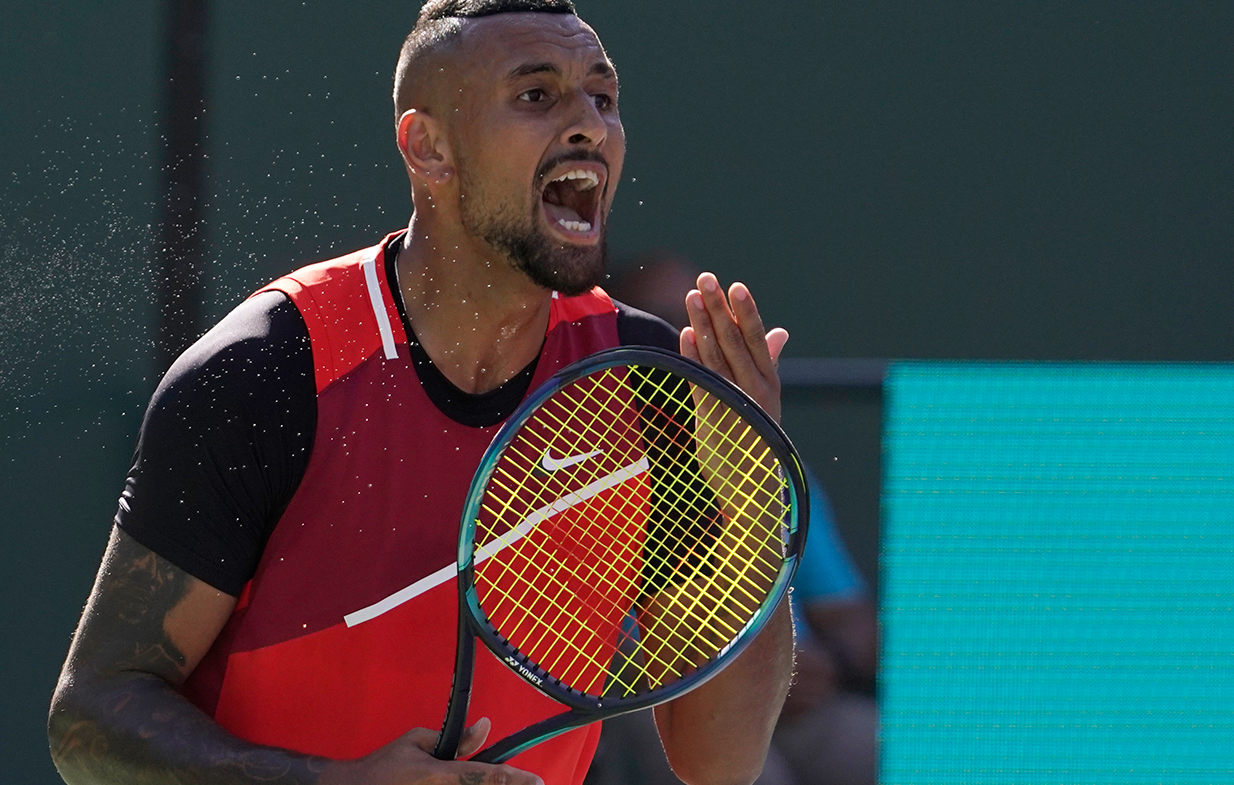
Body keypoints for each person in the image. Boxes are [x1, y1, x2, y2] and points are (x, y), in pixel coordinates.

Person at [48, 2, 795, 784]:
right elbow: (89, 718)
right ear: (428, 147)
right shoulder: (266, 374)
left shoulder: (647, 379)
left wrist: (754, 508)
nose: (589, 126)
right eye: (537, 96)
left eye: (603, 98)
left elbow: (719, 763)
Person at [592, 254, 879, 785]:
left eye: (699, 327)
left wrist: (810, 669)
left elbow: (853, 622)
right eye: (657, 322)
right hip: (660, 710)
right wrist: (738, 686)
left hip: (809, 715)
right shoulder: (586, 476)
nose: (681, 343)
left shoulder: (773, 467)